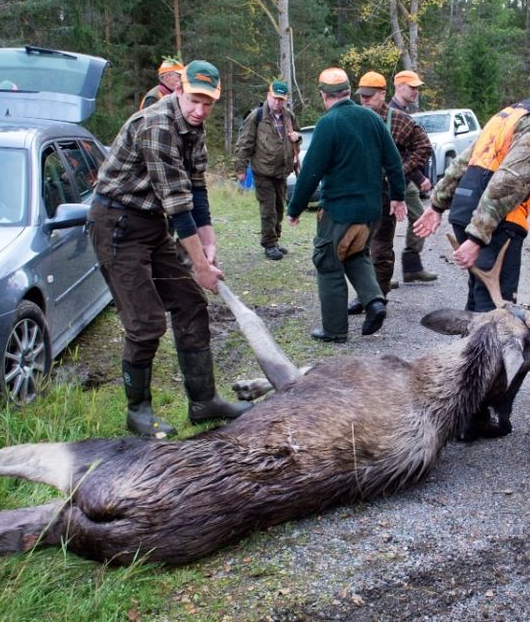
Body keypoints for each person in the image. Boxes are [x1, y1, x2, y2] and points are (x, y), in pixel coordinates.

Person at [88, 60, 251, 438]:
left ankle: (203, 401)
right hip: (117, 224)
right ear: (178, 89)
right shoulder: (157, 125)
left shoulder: (195, 127)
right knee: (145, 322)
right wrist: (200, 265)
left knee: (191, 303)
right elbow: (178, 206)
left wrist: (208, 242)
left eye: (208, 103)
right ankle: (137, 411)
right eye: (194, 100)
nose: (200, 110)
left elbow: (195, 188)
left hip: (152, 222)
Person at [413, 75, 530, 312]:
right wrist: (478, 237)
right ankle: (484, 350)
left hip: (465, 211)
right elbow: (507, 182)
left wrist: (437, 206)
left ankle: (468, 349)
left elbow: (464, 161)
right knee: (496, 310)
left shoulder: (511, 113)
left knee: (479, 298)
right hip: (496, 224)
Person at [286, 67, 406, 343]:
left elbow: (312, 171)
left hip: (339, 212)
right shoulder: (372, 118)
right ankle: (375, 302)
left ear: (323, 95)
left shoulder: (329, 123)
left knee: (328, 263)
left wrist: (294, 208)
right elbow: (393, 161)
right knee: (356, 255)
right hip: (370, 213)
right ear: (349, 92)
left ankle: (334, 329)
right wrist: (397, 195)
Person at [352, 71, 433, 312]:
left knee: (380, 248)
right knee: (357, 247)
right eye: (361, 96)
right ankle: (364, 294)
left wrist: (400, 171)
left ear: (382, 94)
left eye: (369, 96)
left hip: (385, 195)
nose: (364, 100)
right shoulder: (355, 118)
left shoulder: (399, 120)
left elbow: (424, 147)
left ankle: (378, 297)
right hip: (359, 194)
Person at [231, 80, 301, 261]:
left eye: (281, 100)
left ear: (285, 100)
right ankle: (269, 243)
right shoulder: (257, 116)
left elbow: (296, 138)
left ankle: (275, 240)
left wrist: (297, 137)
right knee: (268, 209)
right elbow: (244, 142)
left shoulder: (289, 116)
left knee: (279, 207)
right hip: (262, 171)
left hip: (282, 171)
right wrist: (240, 167)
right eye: (274, 98)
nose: (277, 103)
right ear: (268, 96)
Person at [387, 70, 439, 283]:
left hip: (404, 178)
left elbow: (407, 151)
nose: (416, 91)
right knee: (384, 225)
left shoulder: (403, 112)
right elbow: (397, 155)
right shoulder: (390, 113)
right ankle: (382, 272)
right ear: (399, 87)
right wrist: (419, 178)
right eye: (412, 87)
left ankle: (411, 267)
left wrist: (416, 178)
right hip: (391, 179)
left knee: (418, 217)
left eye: (417, 87)